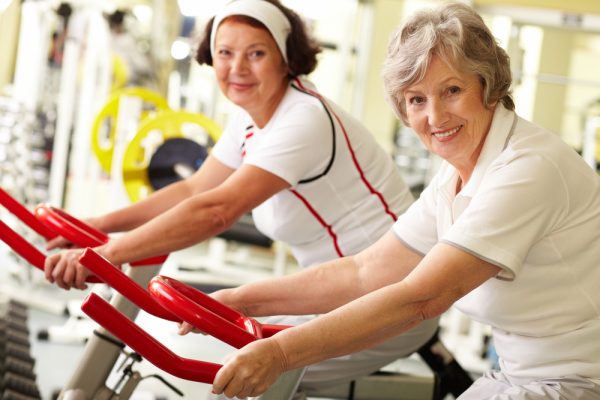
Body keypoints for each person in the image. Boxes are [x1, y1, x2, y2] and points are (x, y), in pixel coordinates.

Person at [199, 2, 600, 399]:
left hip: (577, 381)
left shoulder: (528, 168)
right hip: (522, 375)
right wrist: (236, 301)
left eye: (453, 90)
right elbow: (364, 271)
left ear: (489, 86)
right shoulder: (457, 175)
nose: (436, 116)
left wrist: (281, 353)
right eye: (416, 100)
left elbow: (421, 299)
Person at [43, 0, 439, 396]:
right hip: (328, 292)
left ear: (285, 58)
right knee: (227, 361)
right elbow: (194, 189)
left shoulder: (304, 117)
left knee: (242, 373)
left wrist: (107, 254)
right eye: (225, 53)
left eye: (256, 53)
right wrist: (97, 229)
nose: (238, 68)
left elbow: (217, 210)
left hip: (389, 299)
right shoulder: (252, 118)